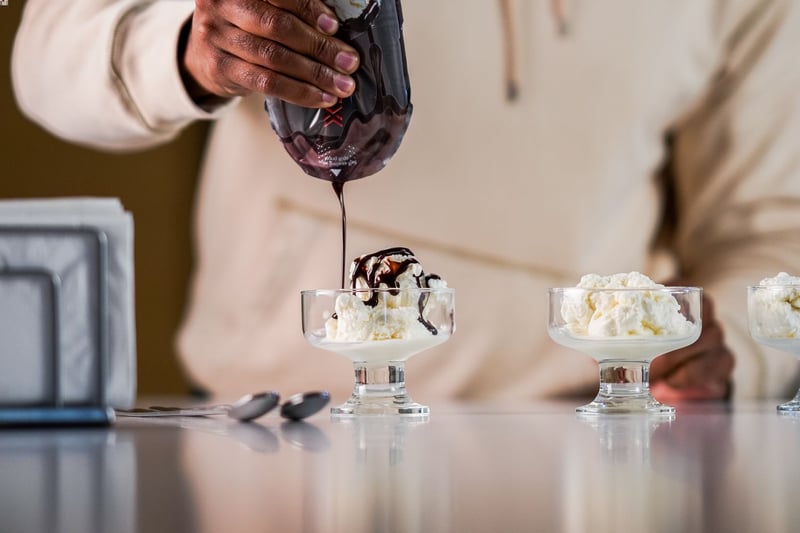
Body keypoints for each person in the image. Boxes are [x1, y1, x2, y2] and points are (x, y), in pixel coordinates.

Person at [11, 0, 800, 403]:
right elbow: (47, 57)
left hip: (592, 449)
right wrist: (185, 47)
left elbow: (771, 230)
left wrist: (731, 358)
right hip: (281, 436)